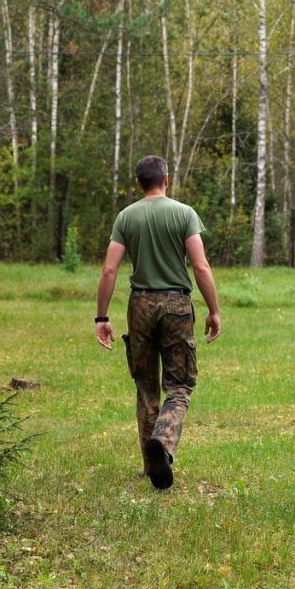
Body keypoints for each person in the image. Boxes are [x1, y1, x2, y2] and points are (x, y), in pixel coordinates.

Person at [94, 155, 221, 490]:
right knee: (178, 386)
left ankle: (151, 465)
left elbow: (109, 270)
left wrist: (102, 317)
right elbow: (200, 266)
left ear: (139, 183)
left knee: (146, 386)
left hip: (140, 306)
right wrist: (214, 310)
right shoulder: (184, 213)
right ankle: (162, 444)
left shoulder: (126, 217)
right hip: (177, 305)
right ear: (167, 179)